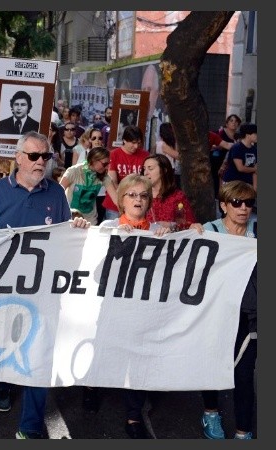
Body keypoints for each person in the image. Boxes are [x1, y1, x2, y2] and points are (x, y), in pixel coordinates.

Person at [0, 131, 91, 439]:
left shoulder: (56, 193)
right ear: (18, 157)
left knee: (39, 353)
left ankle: (30, 426)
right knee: (6, 342)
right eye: (34, 156)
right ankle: (3, 384)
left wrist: (76, 227)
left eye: (46, 157)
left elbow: (64, 235)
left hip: (42, 288)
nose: (41, 162)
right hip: (3, 286)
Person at [97, 174, 172, 439]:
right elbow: (94, 271)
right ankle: (91, 389)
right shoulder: (107, 228)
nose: (138, 200)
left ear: (149, 201)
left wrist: (172, 237)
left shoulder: (158, 231)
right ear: (121, 200)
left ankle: (133, 416)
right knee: (103, 352)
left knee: (137, 359)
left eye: (143, 195)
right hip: (111, 308)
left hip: (143, 311)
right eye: (132, 195)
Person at [190, 181, 257, 440]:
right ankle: (210, 412)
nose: (243, 208)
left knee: (244, 375)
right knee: (213, 365)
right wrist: (191, 233)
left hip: (248, 315)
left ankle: (243, 431)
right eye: (237, 203)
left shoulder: (257, 230)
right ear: (224, 206)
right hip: (215, 312)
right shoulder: (209, 230)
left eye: (249, 203)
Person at [101, 125, 147, 220]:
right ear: (124, 140)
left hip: (136, 204)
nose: (136, 146)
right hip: (115, 203)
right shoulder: (114, 155)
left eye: (138, 143)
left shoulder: (145, 155)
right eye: (133, 143)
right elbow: (113, 181)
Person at [60, 146, 113, 225]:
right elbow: (58, 193)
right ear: (94, 160)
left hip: (90, 220)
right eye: (104, 164)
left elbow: (116, 199)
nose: (107, 167)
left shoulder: (103, 176)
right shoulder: (74, 171)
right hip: (71, 218)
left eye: (108, 163)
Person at [142, 154, 196, 230]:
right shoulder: (141, 195)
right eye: (144, 169)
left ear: (164, 170)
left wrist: (170, 225)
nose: (146, 173)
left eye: (150, 169)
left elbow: (189, 224)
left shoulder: (177, 196)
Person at [221, 122, 257, 187]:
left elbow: (255, 171)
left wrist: (254, 188)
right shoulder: (237, 147)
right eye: (255, 133)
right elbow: (240, 168)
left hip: (247, 184)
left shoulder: (254, 149)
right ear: (248, 135)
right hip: (232, 184)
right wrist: (255, 169)